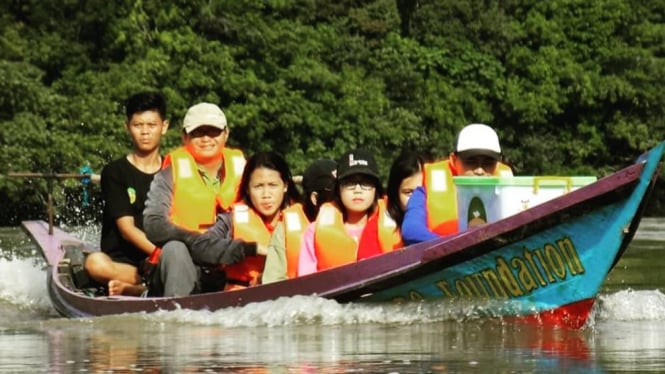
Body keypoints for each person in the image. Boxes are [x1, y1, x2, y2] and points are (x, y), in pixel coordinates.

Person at [143, 102, 247, 297]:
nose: (206, 138)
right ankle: (177, 316)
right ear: (185, 136)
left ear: (226, 133)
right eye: (198, 132)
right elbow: (153, 224)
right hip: (184, 263)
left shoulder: (246, 169)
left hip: (230, 265)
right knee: (175, 248)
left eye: (213, 131)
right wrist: (199, 242)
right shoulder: (169, 174)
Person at [84, 91, 169, 296]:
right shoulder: (115, 172)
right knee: (95, 263)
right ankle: (145, 284)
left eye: (151, 125)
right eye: (138, 125)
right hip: (125, 265)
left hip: (163, 259)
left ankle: (140, 288)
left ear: (164, 127)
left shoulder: (173, 170)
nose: (145, 132)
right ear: (127, 128)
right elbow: (127, 230)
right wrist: (164, 257)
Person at [192, 151, 307, 287]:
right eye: (258, 186)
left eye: (273, 185)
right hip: (243, 298)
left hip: (292, 294)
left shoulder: (305, 216)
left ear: (285, 186)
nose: (266, 195)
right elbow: (200, 248)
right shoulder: (230, 220)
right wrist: (252, 249)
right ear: (247, 189)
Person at [401, 123, 513, 244]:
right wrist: (452, 247)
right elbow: (411, 230)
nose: (480, 171)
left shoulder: (513, 191)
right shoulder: (424, 192)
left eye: (488, 162)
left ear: (498, 162)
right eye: (471, 161)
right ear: (454, 160)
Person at [297, 149, 402, 276]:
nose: (358, 189)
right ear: (338, 188)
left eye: (366, 183)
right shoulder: (313, 231)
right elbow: (305, 279)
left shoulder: (397, 222)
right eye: (350, 183)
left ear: (376, 189)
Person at [386, 150, 433, 227]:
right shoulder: (375, 225)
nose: (416, 199)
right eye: (408, 192)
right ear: (395, 195)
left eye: (424, 191)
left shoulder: (455, 221)